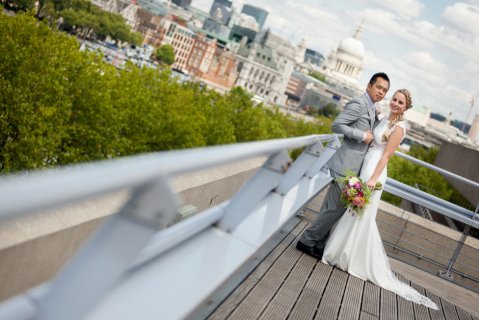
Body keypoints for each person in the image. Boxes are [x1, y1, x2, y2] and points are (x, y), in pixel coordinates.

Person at [320, 89, 438, 309]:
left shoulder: (400, 128)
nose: (395, 103)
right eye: (394, 99)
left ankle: (349, 257)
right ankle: (341, 252)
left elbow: (386, 155)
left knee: (361, 213)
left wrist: (373, 179)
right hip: (366, 164)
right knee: (354, 210)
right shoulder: (385, 118)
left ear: (406, 107)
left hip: (374, 170)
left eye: (400, 102)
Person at [296, 72, 390, 259]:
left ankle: (319, 244)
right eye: (379, 87)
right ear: (369, 86)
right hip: (344, 164)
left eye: (385, 90)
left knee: (335, 208)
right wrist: (362, 135)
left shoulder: (372, 108)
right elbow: (337, 125)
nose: (381, 92)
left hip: (353, 168)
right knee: (334, 209)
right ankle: (306, 241)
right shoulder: (359, 104)